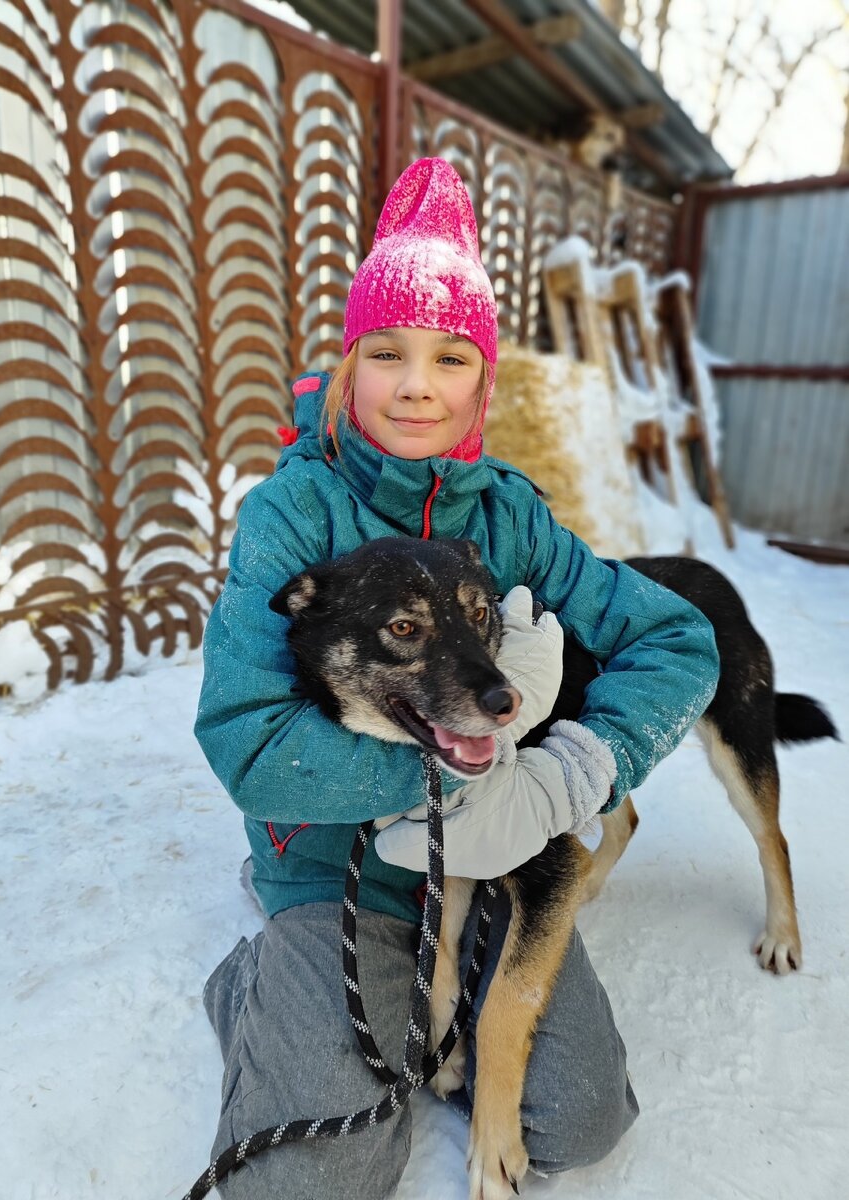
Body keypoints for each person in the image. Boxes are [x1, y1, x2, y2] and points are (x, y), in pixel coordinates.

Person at [195, 157, 720, 1200]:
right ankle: (258, 979)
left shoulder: (510, 515)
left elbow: (680, 642)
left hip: (486, 867)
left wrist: (586, 763)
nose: (417, 384)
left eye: (450, 356)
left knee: (576, 1118)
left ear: (485, 378)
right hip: (331, 872)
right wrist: (438, 783)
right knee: (312, 1181)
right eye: (386, 352)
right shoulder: (291, 515)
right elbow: (247, 737)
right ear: (350, 369)